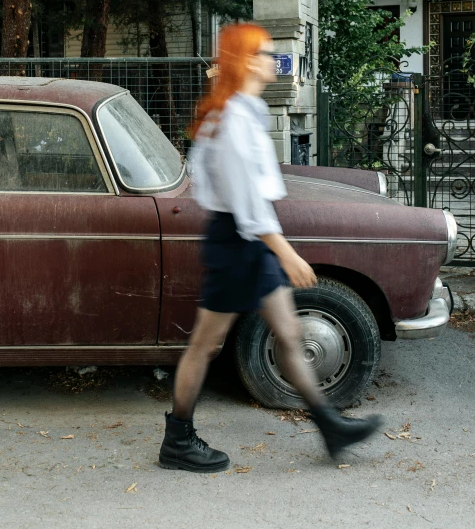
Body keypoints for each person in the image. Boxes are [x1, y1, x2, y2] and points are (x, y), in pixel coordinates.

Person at [159, 23, 382, 473]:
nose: (271, 58)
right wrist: (288, 253)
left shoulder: (242, 111)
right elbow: (248, 206)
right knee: (206, 345)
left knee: (288, 334)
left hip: (246, 242)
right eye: (262, 52)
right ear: (243, 60)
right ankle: (177, 440)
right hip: (239, 242)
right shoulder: (234, 120)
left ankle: (330, 427)